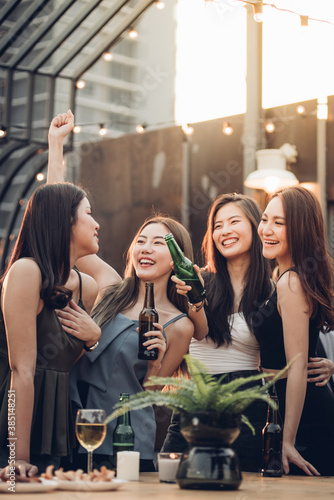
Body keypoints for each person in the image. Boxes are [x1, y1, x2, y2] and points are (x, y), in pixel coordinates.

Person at [47, 112, 203, 471]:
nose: (146, 248)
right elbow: (59, 221)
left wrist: (154, 368)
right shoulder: (111, 287)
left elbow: (151, 398)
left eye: (158, 243)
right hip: (71, 427)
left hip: (126, 442)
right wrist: (56, 146)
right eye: (141, 241)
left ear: (177, 256)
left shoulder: (180, 326)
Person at [162, 193, 272, 472]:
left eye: (234, 221)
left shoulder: (271, 290)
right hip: (194, 401)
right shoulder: (200, 279)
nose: (225, 231)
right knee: (169, 478)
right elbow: (196, 333)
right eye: (218, 225)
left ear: (255, 227)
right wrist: (195, 299)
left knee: (244, 485)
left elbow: (290, 348)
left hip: (248, 407)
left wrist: (328, 364)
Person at [0, 182, 102, 476]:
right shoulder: (25, 271)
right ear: (64, 220)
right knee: (14, 489)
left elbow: (60, 360)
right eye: (89, 213)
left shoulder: (87, 286)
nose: (97, 224)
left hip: (54, 428)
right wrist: (16, 456)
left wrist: (92, 340)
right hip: (13, 425)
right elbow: (22, 370)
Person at [255, 186, 334, 476]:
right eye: (265, 219)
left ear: (299, 229)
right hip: (289, 406)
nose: (267, 229)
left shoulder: (291, 283)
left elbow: (297, 367)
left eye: (279, 223)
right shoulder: (284, 276)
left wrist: (287, 440)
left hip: (304, 419)